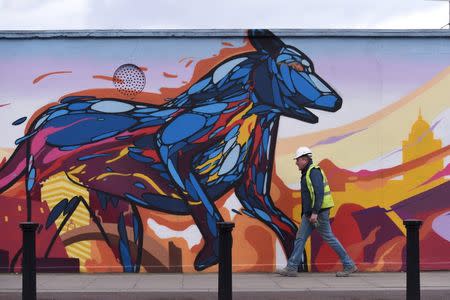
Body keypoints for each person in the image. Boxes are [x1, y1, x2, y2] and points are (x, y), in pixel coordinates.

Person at [276, 146, 357, 277]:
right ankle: (291, 267)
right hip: (310, 214)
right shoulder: (307, 172)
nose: (296, 162)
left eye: (298, 160)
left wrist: (315, 213)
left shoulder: (314, 172)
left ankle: (349, 264)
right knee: (300, 238)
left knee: (328, 238)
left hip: (318, 213)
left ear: (305, 159)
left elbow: (319, 193)